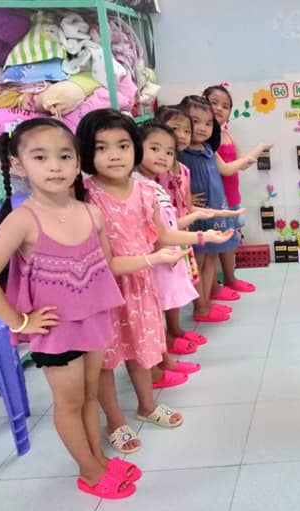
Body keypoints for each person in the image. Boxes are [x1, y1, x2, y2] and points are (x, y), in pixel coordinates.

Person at [0, 118, 138, 499]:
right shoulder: (22, 220)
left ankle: (99, 459)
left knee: (90, 394)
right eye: (40, 157)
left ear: (77, 163)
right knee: (70, 401)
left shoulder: (91, 213)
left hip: (94, 320)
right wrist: (20, 321)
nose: (55, 166)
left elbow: (105, 267)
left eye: (64, 156)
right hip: (55, 330)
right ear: (18, 165)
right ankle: (89, 472)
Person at [76, 108, 234, 454]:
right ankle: (114, 421)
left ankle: (146, 406)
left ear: (134, 148)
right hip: (103, 292)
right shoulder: (86, 196)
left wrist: (204, 237)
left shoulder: (145, 190)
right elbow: (101, 259)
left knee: (142, 349)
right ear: (86, 152)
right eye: (101, 147)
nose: (114, 155)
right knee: (106, 361)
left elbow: (163, 234)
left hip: (141, 286)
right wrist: (154, 258)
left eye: (122, 145)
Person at [136, 121, 243, 367]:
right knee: (153, 310)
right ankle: (162, 362)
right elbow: (162, 234)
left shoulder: (152, 184)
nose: (162, 157)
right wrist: (203, 236)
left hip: (168, 251)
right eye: (154, 148)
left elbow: (170, 224)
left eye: (168, 151)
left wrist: (206, 216)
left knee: (163, 302)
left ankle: (166, 350)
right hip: (153, 258)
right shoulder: (140, 186)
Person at [156, 105, 234, 322]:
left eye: (186, 130)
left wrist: (215, 212)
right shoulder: (157, 172)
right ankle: (193, 314)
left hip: (187, 225)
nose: (182, 135)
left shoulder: (183, 168)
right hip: (170, 233)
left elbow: (188, 204)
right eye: (175, 129)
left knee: (197, 266)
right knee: (176, 276)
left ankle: (203, 306)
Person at [202, 85, 272, 299]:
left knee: (231, 241)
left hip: (232, 197)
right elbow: (226, 169)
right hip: (215, 201)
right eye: (213, 103)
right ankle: (214, 288)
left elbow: (241, 164)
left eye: (225, 106)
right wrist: (257, 150)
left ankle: (230, 278)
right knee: (213, 247)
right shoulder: (205, 140)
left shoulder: (227, 136)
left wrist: (259, 150)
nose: (219, 108)